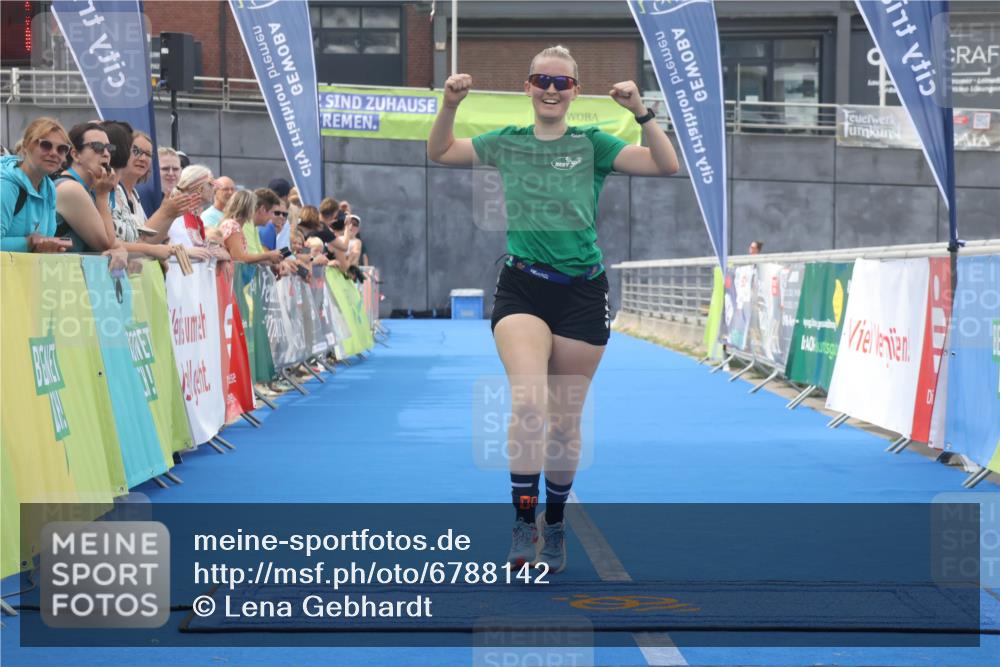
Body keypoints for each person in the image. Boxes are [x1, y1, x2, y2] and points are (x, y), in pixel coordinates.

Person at [427, 45, 679, 573]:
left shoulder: (593, 143)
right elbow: (442, 152)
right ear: (527, 86)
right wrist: (449, 103)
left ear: (575, 92)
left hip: (583, 293)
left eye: (562, 83)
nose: (551, 89)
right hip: (523, 287)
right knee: (528, 404)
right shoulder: (508, 143)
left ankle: (556, 523)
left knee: (564, 423)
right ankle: (523, 520)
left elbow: (664, 164)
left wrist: (641, 111)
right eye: (542, 79)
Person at [112, 129, 199, 258]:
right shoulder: (114, 191)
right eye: (136, 151)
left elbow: (148, 240)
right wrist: (165, 213)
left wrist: (170, 215)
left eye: (147, 154)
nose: (142, 158)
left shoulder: (135, 195)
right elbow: (131, 242)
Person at [53, 122, 128, 268]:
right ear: (75, 154)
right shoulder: (70, 188)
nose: (106, 153)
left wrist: (121, 250)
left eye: (109, 148)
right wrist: (102, 195)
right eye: (97, 147)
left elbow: (115, 244)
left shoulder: (88, 188)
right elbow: (106, 243)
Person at [1, 117, 74, 253]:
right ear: (25, 147)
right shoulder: (5, 186)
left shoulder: (49, 187)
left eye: (62, 149)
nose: (54, 153)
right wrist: (29, 243)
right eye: (46, 145)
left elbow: (47, 238)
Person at [217, 190, 284, 265]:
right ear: (248, 208)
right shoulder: (232, 226)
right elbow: (239, 258)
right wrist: (268, 255)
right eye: (254, 207)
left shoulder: (235, 225)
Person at [138, 146, 183, 217]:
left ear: (181, 171)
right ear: (152, 170)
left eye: (175, 169)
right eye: (165, 169)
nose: (171, 173)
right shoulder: (144, 195)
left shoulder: (176, 197)